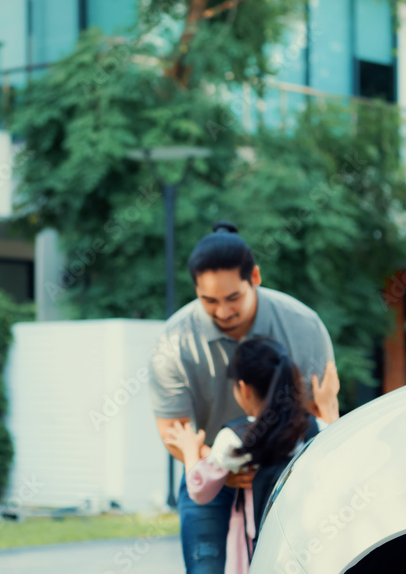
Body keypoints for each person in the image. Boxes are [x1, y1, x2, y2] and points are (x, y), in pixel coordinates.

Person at [149, 221, 340, 574]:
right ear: (195, 290)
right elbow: (174, 431)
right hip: (211, 464)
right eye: (209, 301)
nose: (223, 312)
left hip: (286, 472)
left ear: (254, 276)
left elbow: (318, 416)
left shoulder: (303, 325)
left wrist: (268, 464)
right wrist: (222, 468)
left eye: (233, 298)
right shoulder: (174, 341)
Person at [163, 337, 325, 574]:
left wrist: (190, 448)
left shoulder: (236, 438)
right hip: (306, 540)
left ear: (244, 388)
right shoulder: (315, 430)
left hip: (255, 546)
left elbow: (199, 490)